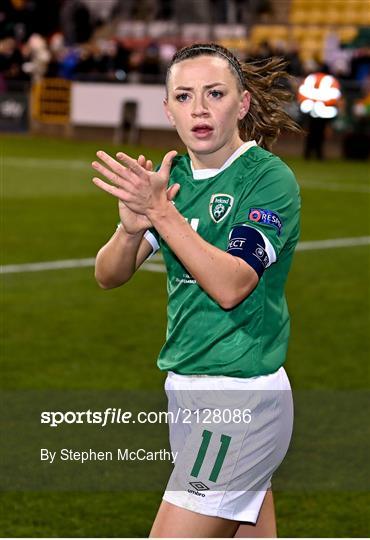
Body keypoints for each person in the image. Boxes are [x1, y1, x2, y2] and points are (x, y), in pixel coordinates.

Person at [92, 43, 301, 538]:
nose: (199, 108)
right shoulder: (172, 181)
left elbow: (233, 285)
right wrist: (130, 228)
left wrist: (162, 213)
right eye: (184, 96)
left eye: (214, 93)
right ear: (168, 109)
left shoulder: (267, 179)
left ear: (243, 103)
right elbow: (108, 274)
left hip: (240, 398)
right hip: (188, 393)